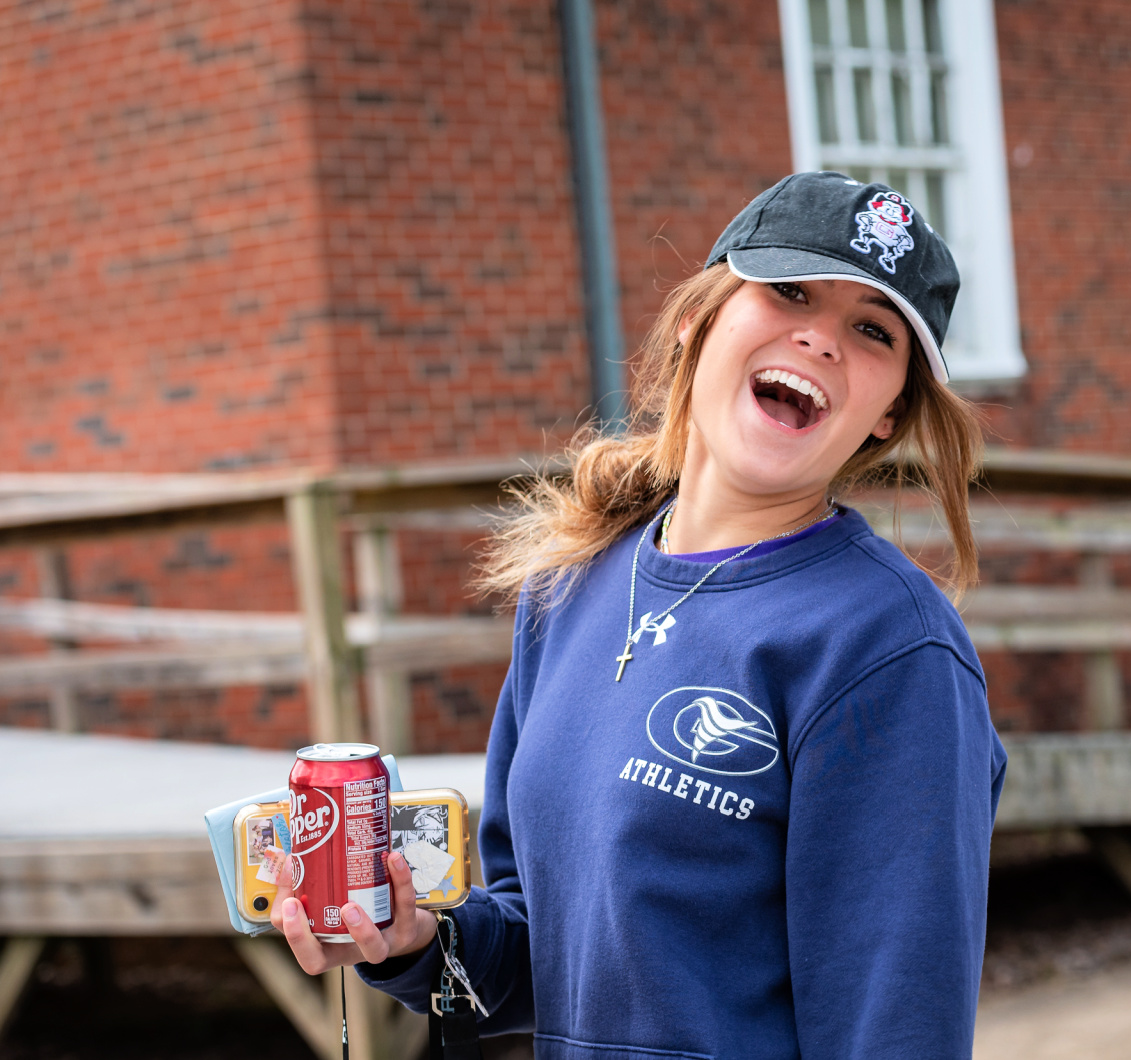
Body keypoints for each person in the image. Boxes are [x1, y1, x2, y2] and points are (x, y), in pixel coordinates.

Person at [267, 172, 1007, 1059]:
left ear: (889, 416)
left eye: (873, 330)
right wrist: (418, 944)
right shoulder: (569, 589)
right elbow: (539, 956)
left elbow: (895, 1034)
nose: (820, 337)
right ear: (699, 323)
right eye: (790, 291)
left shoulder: (889, 650)